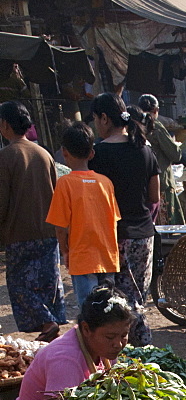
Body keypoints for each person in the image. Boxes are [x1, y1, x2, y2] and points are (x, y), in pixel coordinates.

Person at [89, 93, 160, 347]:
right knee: (137, 298)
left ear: (105, 118)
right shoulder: (145, 150)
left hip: (115, 235)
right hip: (144, 235)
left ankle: (137, 350)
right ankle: (141, 351)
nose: (96, 124)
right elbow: (154, 196)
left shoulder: (97, 154)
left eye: (96, 119)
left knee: (118, 301)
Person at [0, 100, 66, 343]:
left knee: (19, 285)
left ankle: (48, 322)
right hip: (48, 231)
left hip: (19, 234)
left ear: (5, 124)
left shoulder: (6, 156)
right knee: (47, 282)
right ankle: (51, 325)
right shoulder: (44, 154)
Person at [46, 121, 121, 310]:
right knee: (107, 311)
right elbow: (114, 220)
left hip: (82, 259)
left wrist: (65, 251)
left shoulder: (65, 184)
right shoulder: (106, 183)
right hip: (108, 258)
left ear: (64, 152)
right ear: (92, 153)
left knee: (89, 312)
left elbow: (60, 227)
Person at [17, 285, 131, 400]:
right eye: (110, 337)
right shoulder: (65, 360)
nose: (118, 344)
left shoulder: (105, 348)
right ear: (86, 329)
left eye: (124, 335)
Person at [138, 94, 184, 225]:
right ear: (156, 111)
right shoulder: (155, 126)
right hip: (161, 184)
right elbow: (175, 154)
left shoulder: (134, 125)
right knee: (168, 229)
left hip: (143, 186)